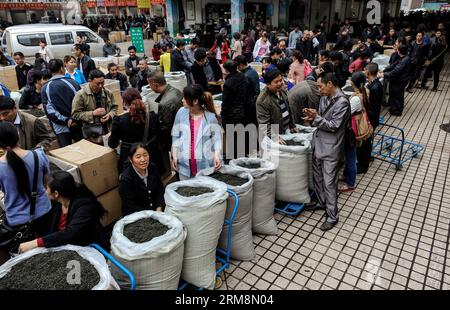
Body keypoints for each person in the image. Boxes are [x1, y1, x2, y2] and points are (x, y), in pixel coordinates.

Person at [302, 72, 351, 231]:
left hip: (331, 147)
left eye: (320, 86)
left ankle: (332, 216)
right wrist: (313, 116)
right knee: (317, 176)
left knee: (329, 182)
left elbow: (333, 125)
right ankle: (321, 202)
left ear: (330, 84)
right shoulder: (324, 97)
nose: (319, 89)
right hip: (318, 142)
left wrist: (316, 118)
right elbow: (322, 117)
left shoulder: (343, 102)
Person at [18, 171, 107, 253]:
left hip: (89, 248)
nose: (45, 192)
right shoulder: (58, 202)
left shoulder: (84, 205)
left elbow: (71, 232)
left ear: (56, 194)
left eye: (46, 188)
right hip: (68, 246)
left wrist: (36, 242)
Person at [0, 121, 52, 261]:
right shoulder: (38, 156)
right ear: (17, 134)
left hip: (17, 219)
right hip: (44, 212)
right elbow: (47, 180)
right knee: (50, 251)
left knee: (28, 260)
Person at [171, 85, 222, 180]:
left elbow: (217, 139)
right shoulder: (181, 112)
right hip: (184, 165)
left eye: (185, 98)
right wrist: (175, 155)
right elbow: (175, 135)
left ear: (195, 101)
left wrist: (216, 155)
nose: (182, 100)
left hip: (204, 164)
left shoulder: (210, 118)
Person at [108, 88, 160, 173]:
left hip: (131, 163)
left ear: (124, 102)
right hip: (152, 159)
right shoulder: (152, 116)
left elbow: (112, 144)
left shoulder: (119, 121)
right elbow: (159, 135)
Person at [42, 59, 81, 147]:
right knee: (83, 149)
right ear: (61, 69)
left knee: (66, 153)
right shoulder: (73, 82)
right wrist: (73, 119)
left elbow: (50, 112)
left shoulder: (46, 88)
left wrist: (66, 120)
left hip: (60, 128)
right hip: (77, 124)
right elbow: (81, 103)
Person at [119, 143, 165, 216]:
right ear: (131, 160)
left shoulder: (152, 167)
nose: (143, 159)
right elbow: (129, 204)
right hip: (138, 215)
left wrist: (159, 207)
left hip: (157, 211)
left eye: (145, 155)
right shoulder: (126, 179)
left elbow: (160, 189)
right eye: (138, 157)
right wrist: (150, 214)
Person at [339, 72, 367, 193]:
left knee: (351, 157)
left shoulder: (356, 98)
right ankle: (346, 175)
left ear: (353, 82)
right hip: (354, 128)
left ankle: (351, 184)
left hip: (352, 131)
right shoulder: (364, 91)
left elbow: (345, 113)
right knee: (350, 155)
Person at [72, 69, 118, 143]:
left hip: (106, 129)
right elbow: (75, 114)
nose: (100, 86)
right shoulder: (80, 95)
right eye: (97, 83)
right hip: (90, 133)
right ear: (90, 81)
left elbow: (115, 108)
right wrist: (92, 113)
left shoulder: (107, 92)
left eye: (102, 83)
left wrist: (109, 115)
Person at [256, 69, 298, 141]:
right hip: (273, 135)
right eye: (276, 82)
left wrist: (292, 125)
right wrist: (274, 137)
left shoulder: (281, 90)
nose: (280, 83)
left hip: (285, 130)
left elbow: (289, 109)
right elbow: (264, 124)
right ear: (268, 84)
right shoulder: (263, 100)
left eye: (280, 80)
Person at [147, 71, 183, 153]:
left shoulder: (164, 103)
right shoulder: (176, 90)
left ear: (155, 84)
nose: (150, 87)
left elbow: (166, 128)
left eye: (150, 85)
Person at [221, 60, 249, 158]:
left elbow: (225, 102)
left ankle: (235, 159)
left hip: (231, 115)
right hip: (243, 111)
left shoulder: (228, 83)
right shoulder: (242, 76)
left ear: (226, 70)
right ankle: (242, 156)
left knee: (233, 138)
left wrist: (222, 115)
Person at [360, 63, 383, 173]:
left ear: (368, 72)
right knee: (367, 142)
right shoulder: (374, 84)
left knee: (366, 142)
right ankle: (367, 157)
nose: (364, 71)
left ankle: (363, 165)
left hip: (371, 118)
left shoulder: (375, 87)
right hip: (371, 117)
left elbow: (372, 107)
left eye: (365, 70)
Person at [382, 45, 411, 116]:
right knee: (393, 95)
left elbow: (396, 71)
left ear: (399, 51)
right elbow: (394, 65)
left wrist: (384, 74)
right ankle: (393, 108)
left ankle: (397, 111)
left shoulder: (405, 60)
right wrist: (384, 70)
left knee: (398, 96)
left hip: (400, 81)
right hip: (396, 80)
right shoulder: (402, 57)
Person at [235, 55, 260, 125]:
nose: (236, 68)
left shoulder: (245, 76)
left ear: (241, 65)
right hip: (253, 103)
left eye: (237, 66)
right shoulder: (253, 71)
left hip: (248, 105)